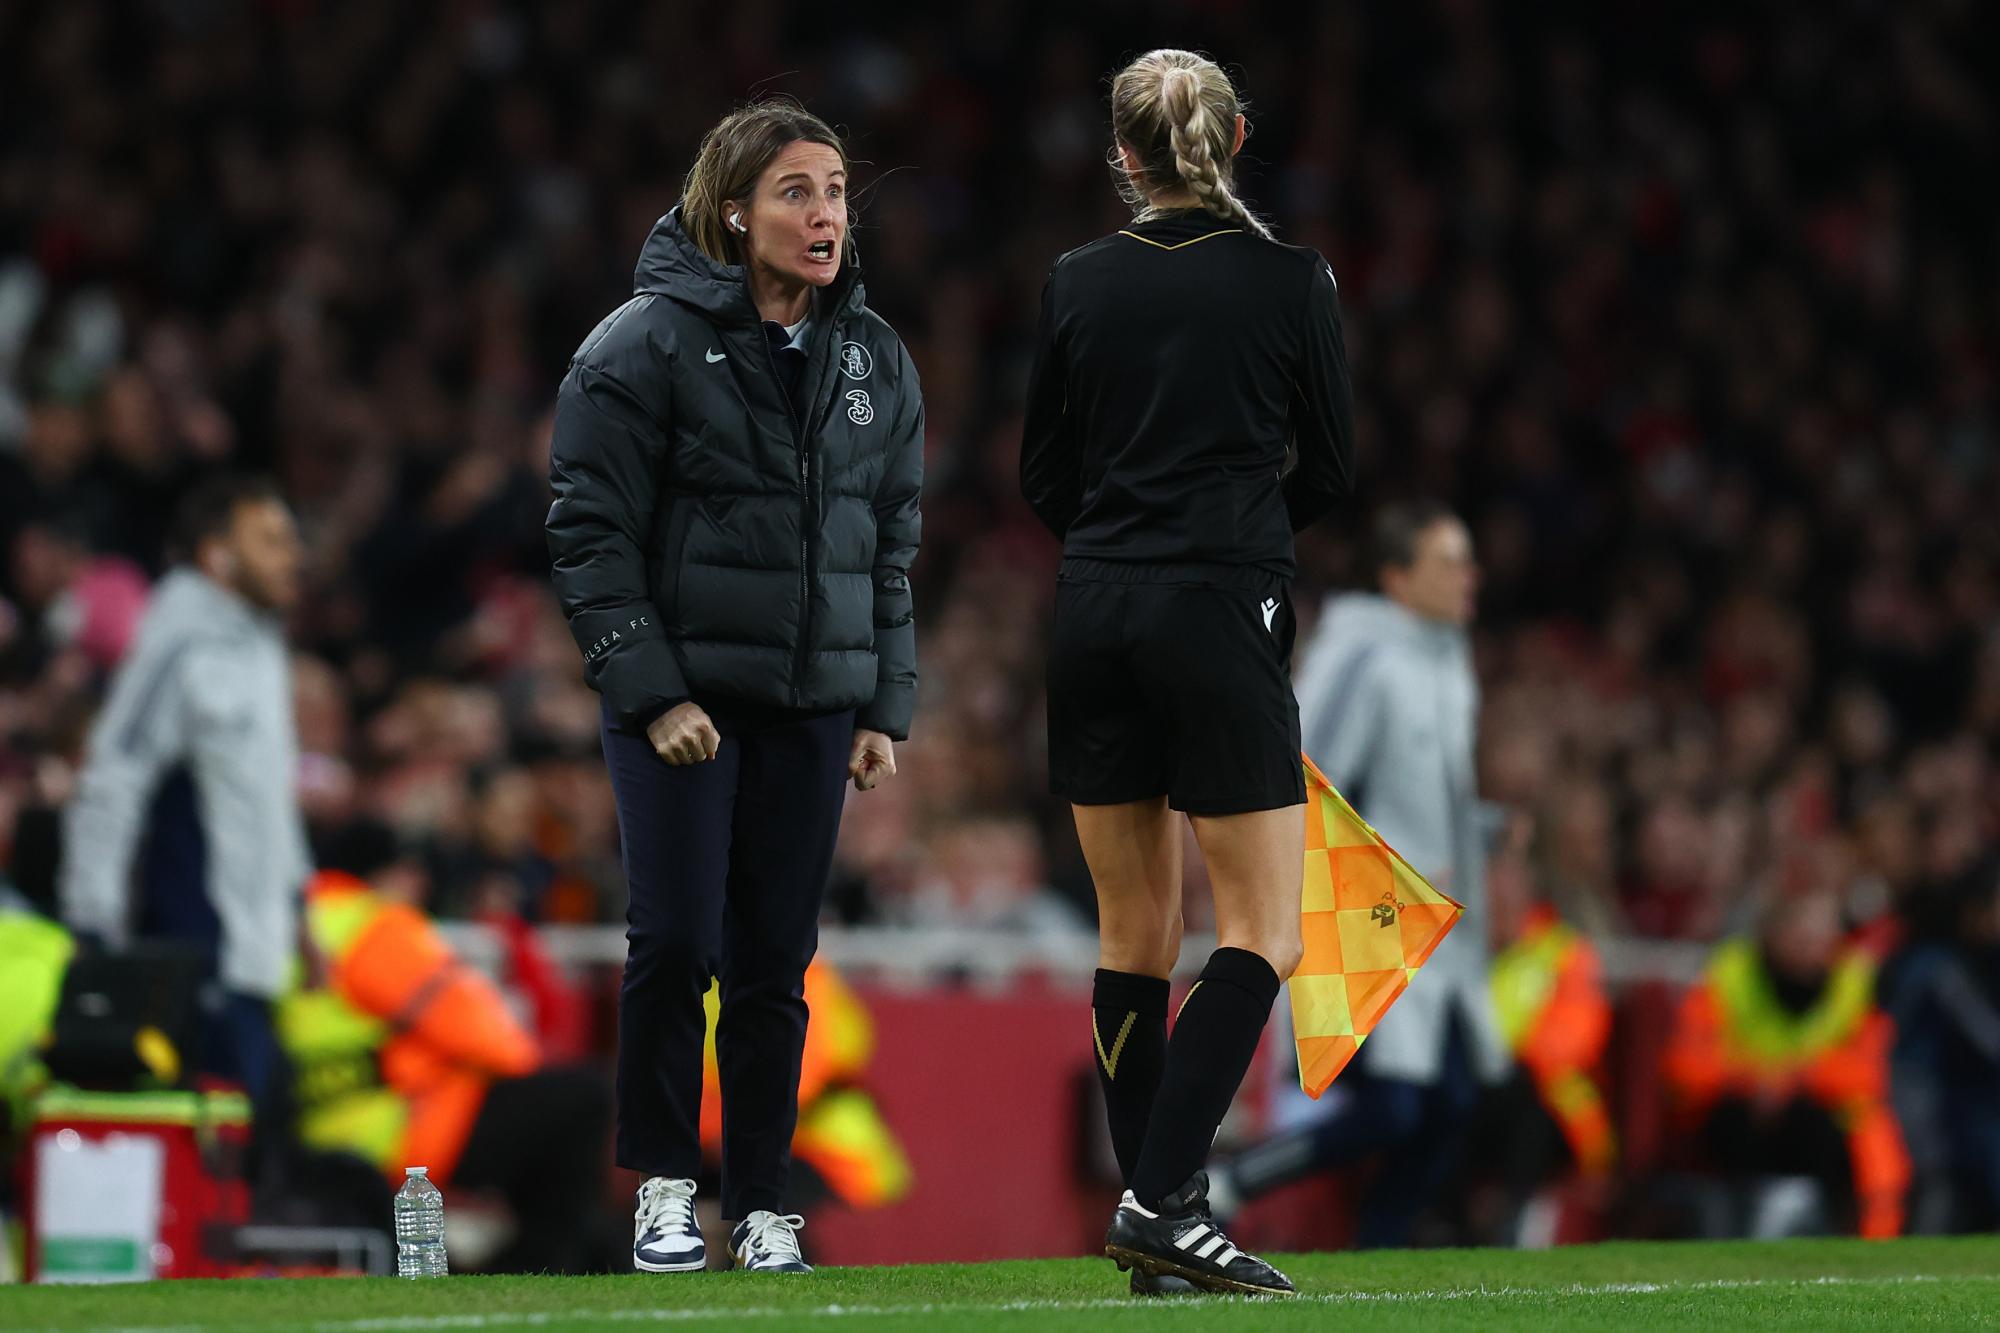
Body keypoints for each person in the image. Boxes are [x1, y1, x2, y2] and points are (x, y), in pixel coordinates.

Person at [546, 99, 923, 1276]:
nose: (824, 217)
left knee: (775, 960)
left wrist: (880, 706)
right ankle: (666, 1185)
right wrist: (654, 693)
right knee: (673, 941)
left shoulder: (874, 357)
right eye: (796, 193)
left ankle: (760, 1202)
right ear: (732, 210)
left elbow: (888, 541)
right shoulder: (636, 344)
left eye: (836, 194)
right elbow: (591, 534)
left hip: (812, 705)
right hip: (685, 708)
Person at [1020, 49, 1352, 1297]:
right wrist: (1234, 544)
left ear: (1122, 154)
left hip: (1093, 603)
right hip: (1219, 599)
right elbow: (1330, 463)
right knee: (1261, 928)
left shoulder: (1075, 281)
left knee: (1133, 931)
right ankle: (1162, 1199)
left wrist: (1122, 546)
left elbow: (1040, 471)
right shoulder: (1290, 280)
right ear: (1237, 134)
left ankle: (1157, 1226)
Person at [1205, 500, 1510, 1247]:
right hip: (1371, 909)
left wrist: (1485, 832)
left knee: (1451, 1099)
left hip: (1434, 919)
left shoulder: (1448, 665)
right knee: (1403, 1103)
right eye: (1449, 560)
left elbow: (1429, 799)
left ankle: (1384, 1240)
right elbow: (1311, 771)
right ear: (1398, 578)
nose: (1469, 575)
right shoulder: (1368, 658)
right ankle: (1233, 1180)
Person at [57, 474, 310, 1105]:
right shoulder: (181, 641)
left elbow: (265, 795)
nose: (291, 556)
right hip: (195, 940)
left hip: (253, 948)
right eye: (270, 540)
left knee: (246, 1143)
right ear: (216, 555)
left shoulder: (257, 642)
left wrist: (297, 906)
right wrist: (93, 923)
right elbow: (112, 778)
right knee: (207, 1142)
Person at [277, 868, 616, 1274]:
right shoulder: (371, 924)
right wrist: (514, 1065)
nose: (419, 885)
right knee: (580, 1100)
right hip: (405, 1132)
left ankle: (531, 1261)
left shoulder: (290, 924)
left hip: (318, 1134)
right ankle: (539, 1268)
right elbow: (479, 1033)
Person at [1664, 891, 1910, 1239]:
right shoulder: (1729, 974)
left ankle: (1826, 1230)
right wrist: (1752, 1082)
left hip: (1819, 1122)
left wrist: (1795, 1080)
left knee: (1834, 1129)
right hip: (1739, 1113)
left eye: (1817, 938)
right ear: (1771, 934)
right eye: (1797, 936)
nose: (1807, 948)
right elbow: (1687, 1062)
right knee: (1730, 1121)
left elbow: (1869, 1072)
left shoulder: (1854, 984)